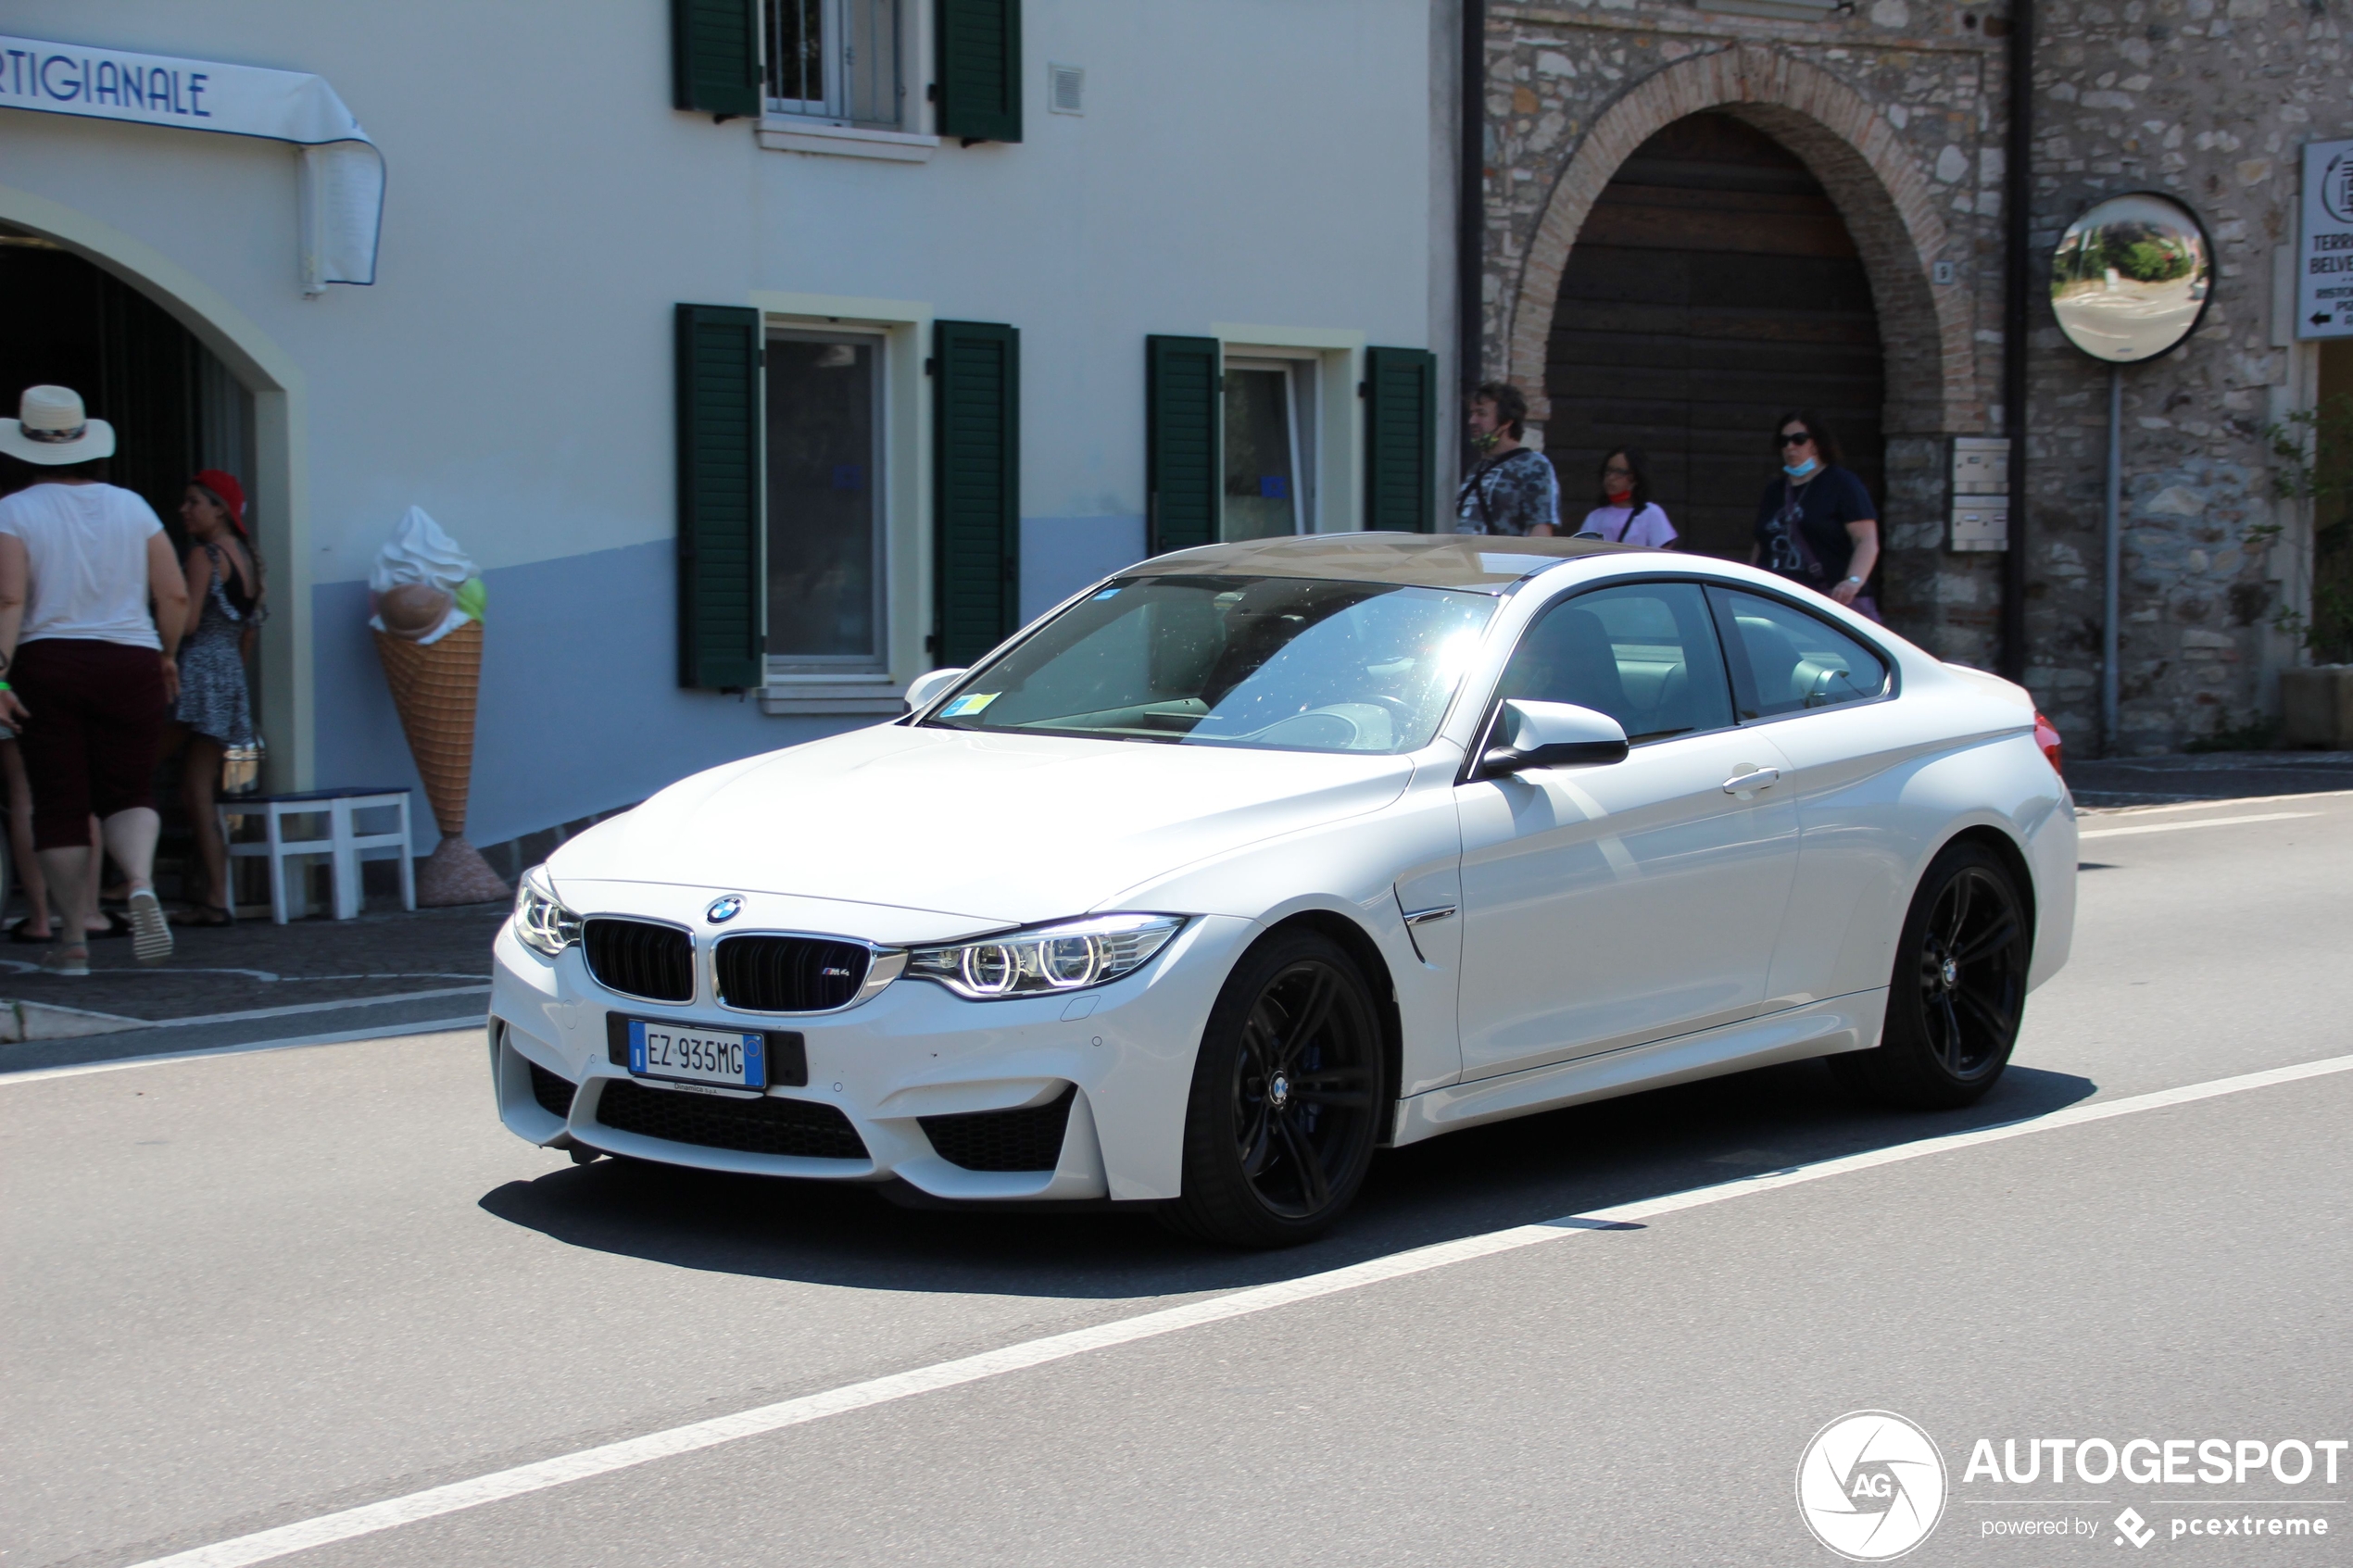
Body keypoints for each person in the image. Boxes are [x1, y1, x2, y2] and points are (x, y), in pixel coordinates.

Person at [0, 385, 190, 974]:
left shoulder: (13, 512)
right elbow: (175, 592)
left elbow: (9, 598)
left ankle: (73, 943)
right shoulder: (132, 506)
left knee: (59, 802)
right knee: (129, 790)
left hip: (47, 662)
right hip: (131, 660)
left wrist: (0, 681)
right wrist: (166, 652)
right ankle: (137, 879)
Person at [163, 469, 263, 925]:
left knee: (138, 769)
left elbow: (185, 623)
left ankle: (131, 879)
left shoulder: (204, 556)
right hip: (227, 675)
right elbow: (249, 632)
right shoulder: (247, 557)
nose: (185, 511)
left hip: (199, 668)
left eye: (194, 503)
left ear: (219, 508)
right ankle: (217, 895)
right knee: (198, 789)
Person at [1750, 410, 1881, 618]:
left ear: (1817, 443)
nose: (1790, 447)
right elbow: (1762, 543)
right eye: (1784, 441)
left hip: (1828, 602)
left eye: (1798, 439)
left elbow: (1866, 539)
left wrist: (1853, 581)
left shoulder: (1842, 483)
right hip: (1779, 601)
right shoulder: (1775, 490)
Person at [1453, 383, 1560, 537]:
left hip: (1505, 560)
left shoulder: (1533, 465)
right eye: (1472, 413)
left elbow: (1540, 529)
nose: (1472, 421)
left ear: (1506, 422)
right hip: (1469, 559)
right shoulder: (1476, 469)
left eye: (1481, 414)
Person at [1577, 446, 1678, 546]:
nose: (1611, 478)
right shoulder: (1595, 517)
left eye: (1619, 472)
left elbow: (1664, 550)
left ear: (1635, 478)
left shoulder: (1651, 513)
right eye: (1609, 471)